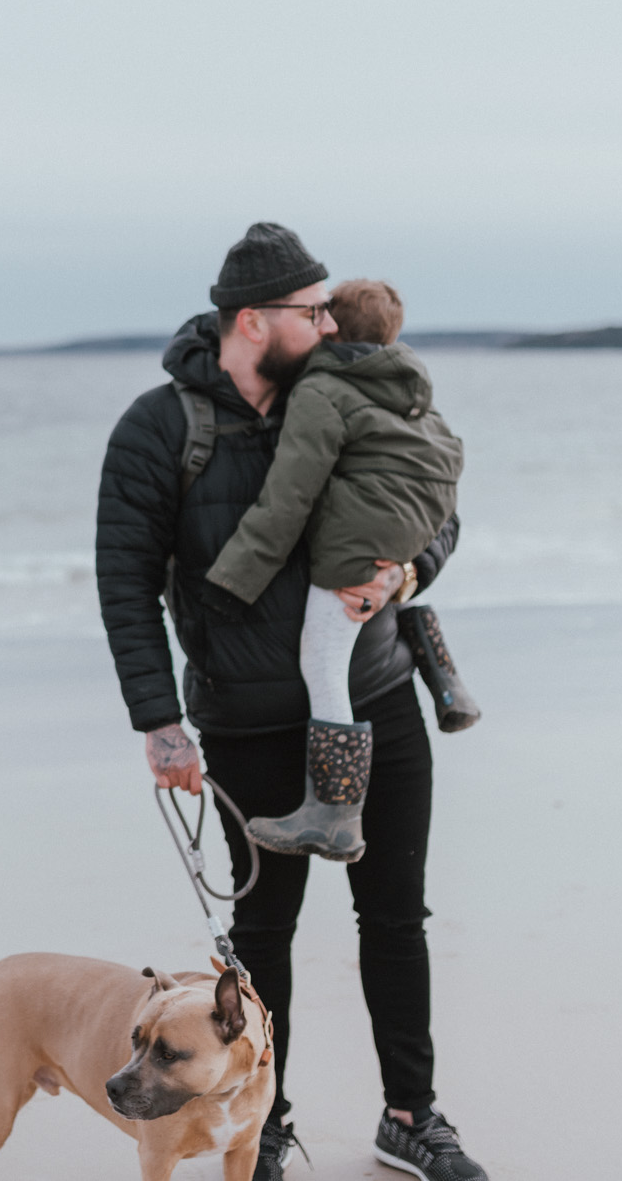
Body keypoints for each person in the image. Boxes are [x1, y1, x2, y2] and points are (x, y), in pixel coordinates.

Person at [94, 223, 489, 1181]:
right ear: (251, 320)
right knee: (262, 938)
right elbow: (124, 579)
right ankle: (261, 1125)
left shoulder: (348, 385)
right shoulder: (161, 427)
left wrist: (403, 573)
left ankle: (411, 1115)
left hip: (378, 695)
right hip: (249, 717)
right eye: (310, 310)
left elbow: (435, 503)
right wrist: (158, 720)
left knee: (396, 916)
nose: (328, 321)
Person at [201, 277, 463, 864]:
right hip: (401, 536)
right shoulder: (411, 390)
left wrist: (230, 583)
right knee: (351, 640)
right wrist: (407, 562)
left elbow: (286, 500)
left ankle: (335, 812)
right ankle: (448, 682)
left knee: (322, 665)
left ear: (332, 328)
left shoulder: (322, 391)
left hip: (349, 559)